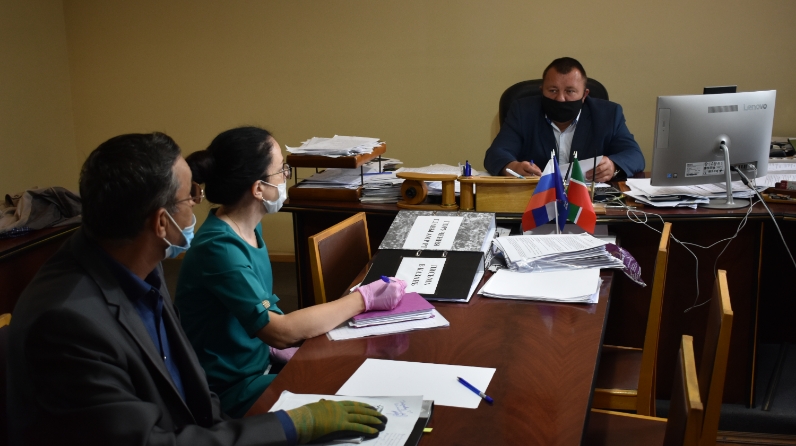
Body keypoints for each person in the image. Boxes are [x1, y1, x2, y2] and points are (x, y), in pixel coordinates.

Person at [8, 132, 391, 446]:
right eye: (191, 196)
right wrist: (289, 426)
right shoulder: (67, 322)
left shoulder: (136, 257)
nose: (199, 202)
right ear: (161, 223)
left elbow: (183, 372)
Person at [175, 126, 405, 418]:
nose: (286, 175)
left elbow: (263, 310)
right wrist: (363, 299)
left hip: (258, 366)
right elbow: (280, 332)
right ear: (258, 189)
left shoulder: (247, 230)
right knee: (354, 392)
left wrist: (272, 348)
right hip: (230, 391)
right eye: (281, 170)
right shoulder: (219, 248)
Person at [484, 57, 645, 182]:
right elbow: (495, 154)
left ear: (584, 95)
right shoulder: (523, 111)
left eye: (570, 91)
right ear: (542, 90)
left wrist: (613, 166)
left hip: (589, 201)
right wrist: (513, 167)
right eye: (553, 90)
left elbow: (634, 155)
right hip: (534, 199)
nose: (560, 98)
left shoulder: (608, 114)